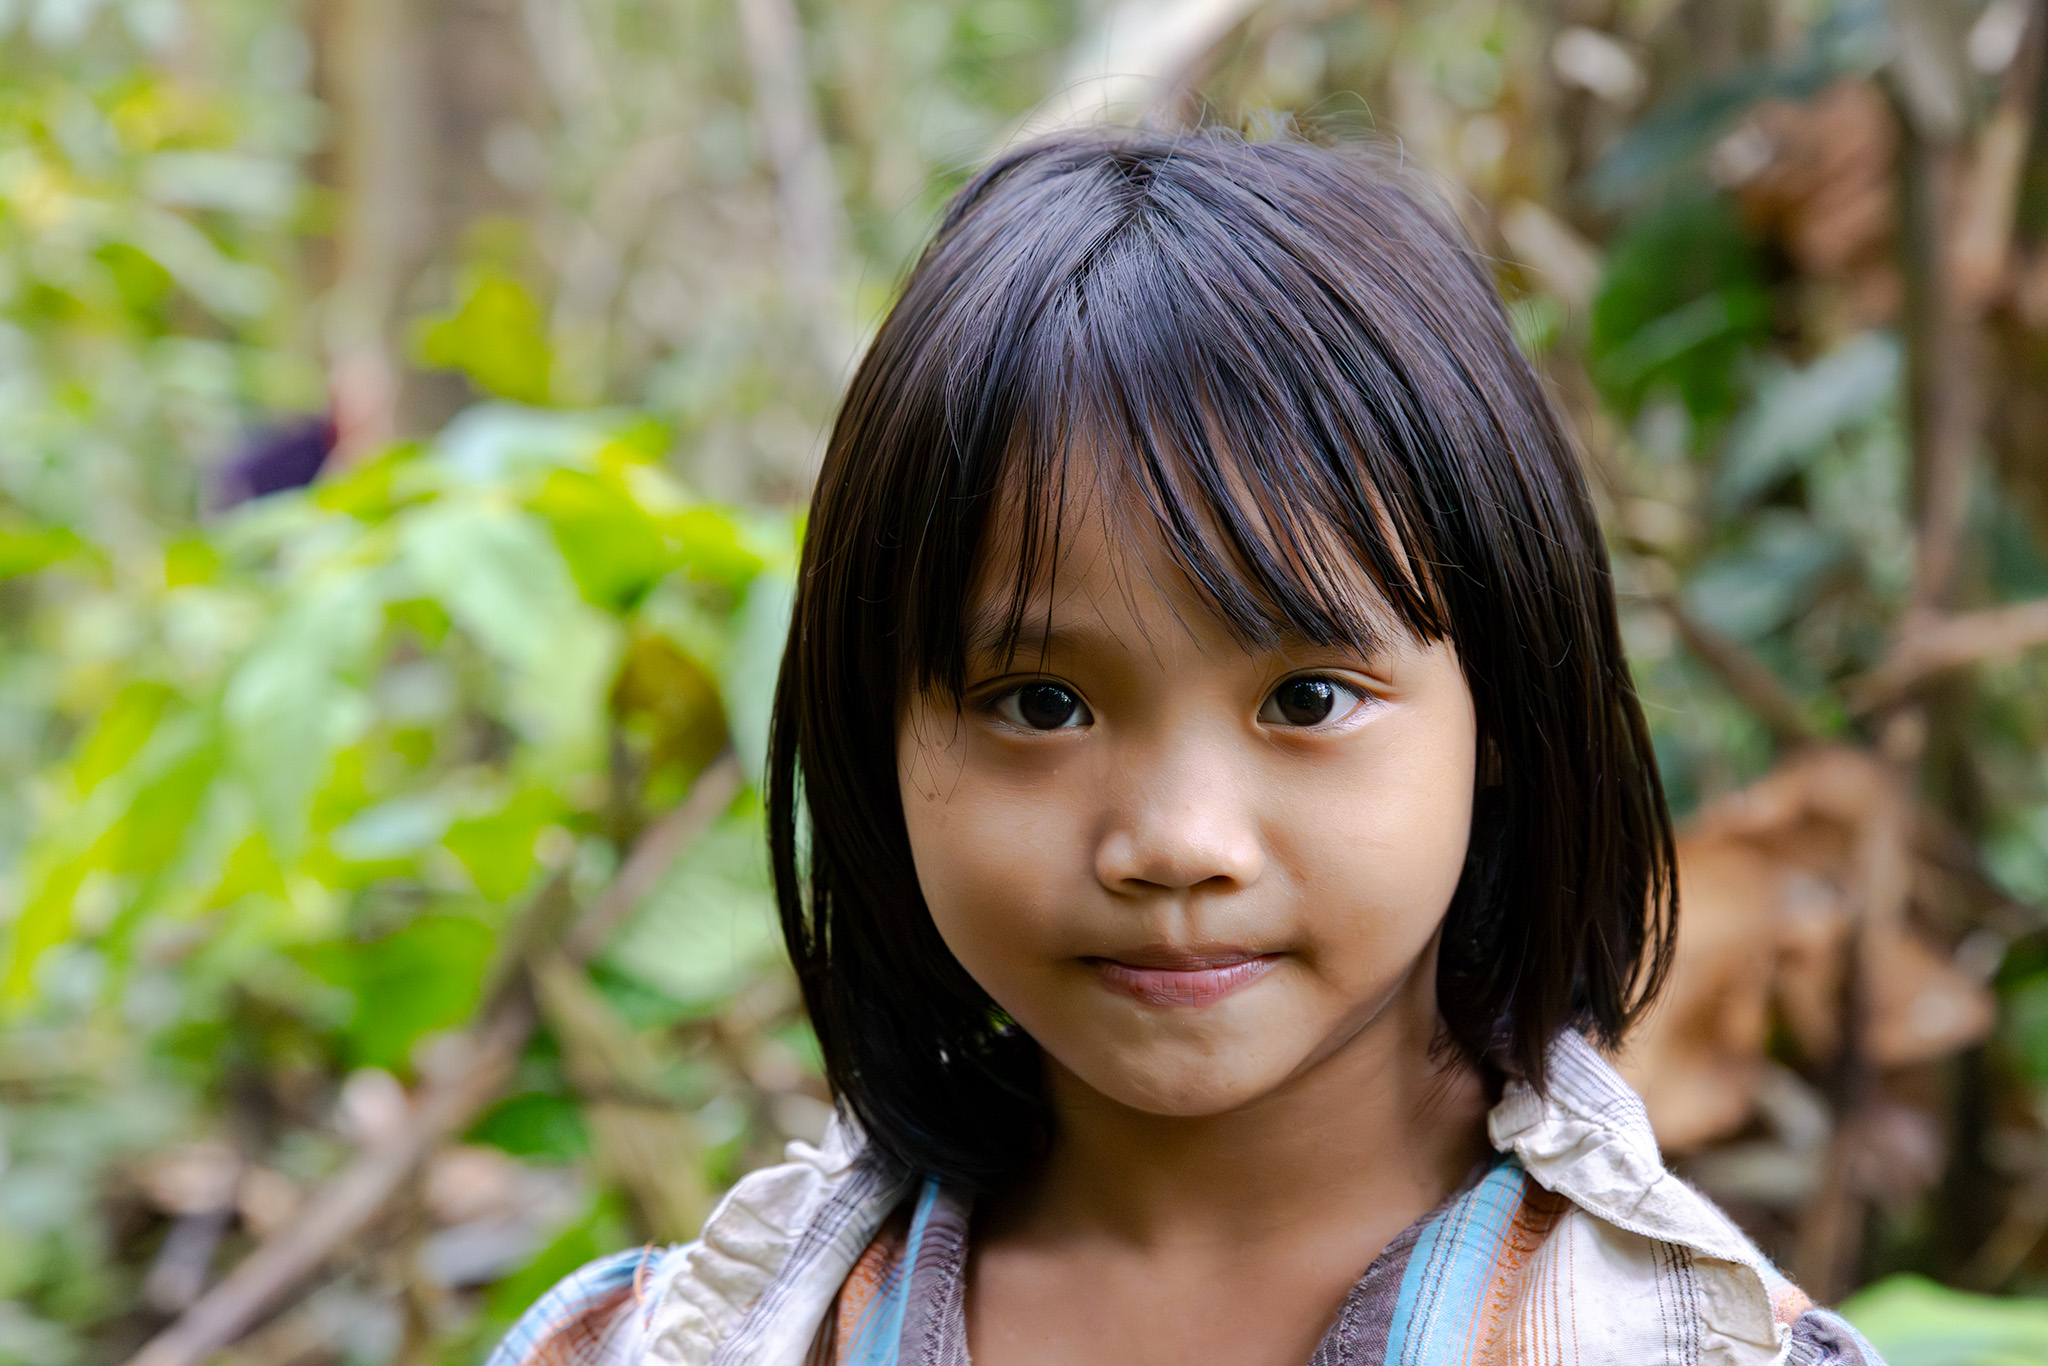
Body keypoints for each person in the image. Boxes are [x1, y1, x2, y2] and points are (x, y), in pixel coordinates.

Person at [488, 129, 1884, 1366]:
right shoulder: (699, 1339)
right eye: (1040, 703)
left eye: (1308, 698)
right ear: (878, 730)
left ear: (1506, 715)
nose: (1173, 839)